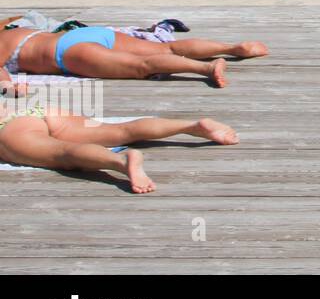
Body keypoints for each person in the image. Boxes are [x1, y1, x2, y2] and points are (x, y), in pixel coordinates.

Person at [0, 100, 238, 194]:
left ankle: (121, 162)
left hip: (8, 127)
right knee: (119, 130)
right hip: (35, 109)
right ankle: (191, 125)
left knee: (62, 152)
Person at [0, 26, 269, 91]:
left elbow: (3, 78)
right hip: (80, 34)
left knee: (142, 68)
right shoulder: (10, 30)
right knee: (167, 48)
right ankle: (233, 48)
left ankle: (206, 67)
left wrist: (12, 89)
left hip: (67, 54)